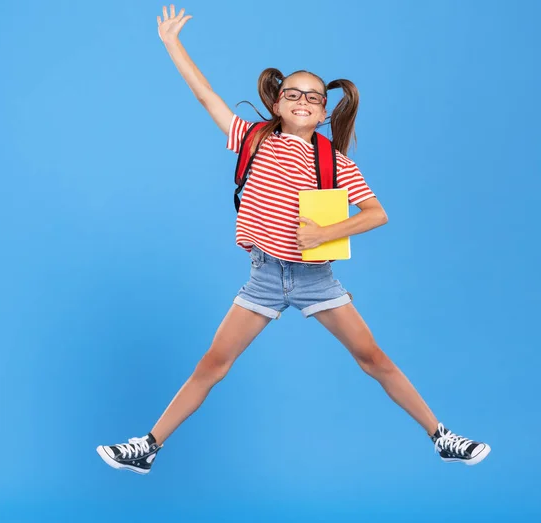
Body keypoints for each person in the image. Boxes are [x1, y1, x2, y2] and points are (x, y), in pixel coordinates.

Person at [96, 5, 491, 475]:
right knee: (213, 364)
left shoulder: (335, 164)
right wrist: (171, 43)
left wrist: (326, 232)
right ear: (278, 103)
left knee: (373, 358)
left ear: (324, 113)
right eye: (293, 93)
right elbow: (206, 96)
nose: (303, 100)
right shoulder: (252, 139)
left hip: (315, 278)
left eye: (314, 96)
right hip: (264, 276)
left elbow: (376, 214)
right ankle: (149, 447)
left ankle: (441, 437)